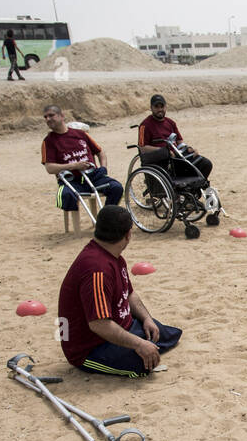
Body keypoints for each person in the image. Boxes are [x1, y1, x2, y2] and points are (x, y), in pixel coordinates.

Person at [58, 205, 181, 377]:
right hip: (91, 347)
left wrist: (146, 318)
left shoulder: (113, 255)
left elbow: (129, 294)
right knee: (142, 364)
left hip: (122, 325)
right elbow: (99, 324)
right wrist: (139, 344)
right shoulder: (96, 269)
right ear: (128, 235)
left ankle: (140, 337)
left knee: (165, 334)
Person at [41, 104, 124, 211]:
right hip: (71, 180)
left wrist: (103, 168)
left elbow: (100, 152)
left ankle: (105, 219)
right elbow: (49, 168)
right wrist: (74, 166)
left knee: (116, 188)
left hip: (93, 176)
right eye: (45, 117)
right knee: (66, 195)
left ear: (62, 116)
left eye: (51, 115)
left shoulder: (80, 134)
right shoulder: (48, 141)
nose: (48, 119)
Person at [137, 93, 213, 180]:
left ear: (165, 107)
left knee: (206, 164)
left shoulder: (170, 123)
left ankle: (195, 190)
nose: (160, 109)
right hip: (161, 161)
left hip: (177, 157)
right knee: (167, 155)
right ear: (151, 108)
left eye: (162, 107)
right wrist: (163, 151)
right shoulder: (144, 125)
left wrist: (189, 148)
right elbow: (142, 147)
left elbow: (179, 141)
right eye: (156, 107)